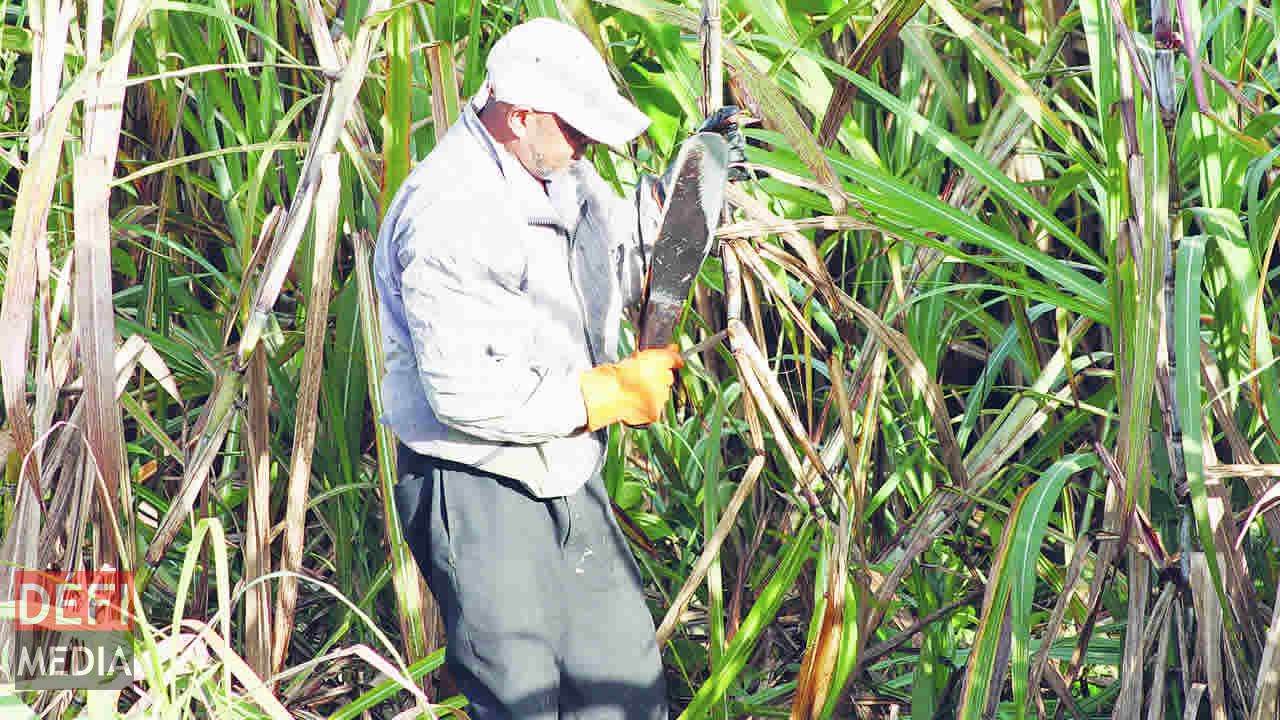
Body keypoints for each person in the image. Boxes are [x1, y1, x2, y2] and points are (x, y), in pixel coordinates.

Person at [373, 17, 742, 720]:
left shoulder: (557, 170)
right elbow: (462, 392)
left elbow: (615, 244)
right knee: (525, 697)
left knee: (623, 682)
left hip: (564, 467)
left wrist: (685, 189)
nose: (588, 148)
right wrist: (607, 393)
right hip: (477, 483)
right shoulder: (450, 211)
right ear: (520, 117)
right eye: (576, 131)